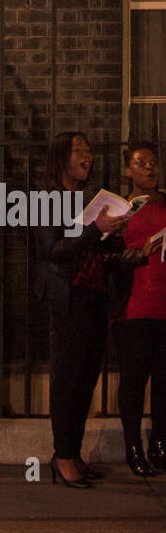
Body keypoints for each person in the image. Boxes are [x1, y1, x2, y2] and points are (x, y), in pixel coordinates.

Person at [34, 131, 130, 488]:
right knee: (67, 379)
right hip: (66, 298)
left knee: (87, 378)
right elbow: (52, 249)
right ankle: (61, 457)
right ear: (62, 157)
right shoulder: (47, 198)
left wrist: (116, 234)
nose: (87, 157)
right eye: (79, 151)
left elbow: (91, 248)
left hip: (91, 295)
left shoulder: (82, 197)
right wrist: (94, 229)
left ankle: (73, 453)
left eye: (88, 151)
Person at [107, 145, 166, 477]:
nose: (149, 169)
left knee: (163, 379)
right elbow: (107, 260)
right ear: (128, 171)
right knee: (134, 378)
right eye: (141, 164)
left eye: (153, 163)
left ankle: (160, 442)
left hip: (164, 299)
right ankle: (133, 446)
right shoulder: (120, 210)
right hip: (134, 304)